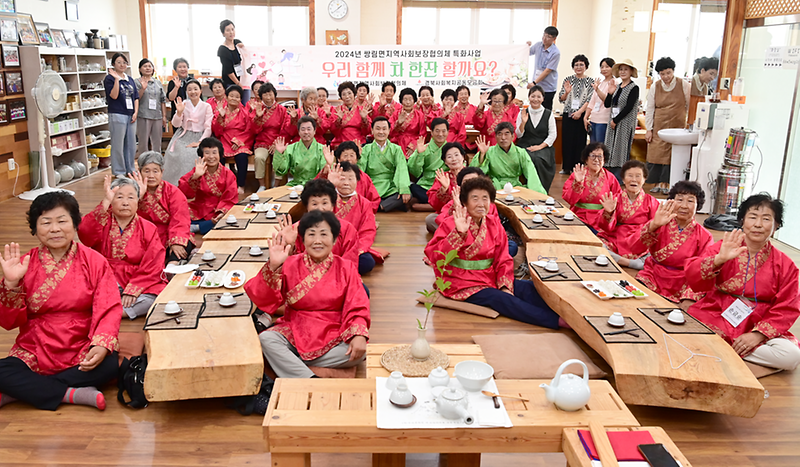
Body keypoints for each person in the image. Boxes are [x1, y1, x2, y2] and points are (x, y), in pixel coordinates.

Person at [0, 192, 121, 411]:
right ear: (35, 229)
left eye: (62, 221)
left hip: (81, 343)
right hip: (36, 346)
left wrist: (102, 344)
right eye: (46, 223)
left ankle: (20, 392)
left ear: (75, 224)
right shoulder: (24, 264)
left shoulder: (94, 261)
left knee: (110, 364)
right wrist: (11, 284)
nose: (55, 229)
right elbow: (9, 322)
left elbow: (109, 307)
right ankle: (72, 394)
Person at [244, 210, 370, 379]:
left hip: (334, 330)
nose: (317, 241)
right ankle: (310, 379)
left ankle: (292, 366)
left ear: (334, 240)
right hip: (296, 329)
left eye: (324, 234)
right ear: (303, 240)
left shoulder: (346, 267)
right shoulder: (289, 264)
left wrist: (359, 334)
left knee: (359, 351)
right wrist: (273, 266)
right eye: (311, 235)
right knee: (267, 339)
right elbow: (264, 299)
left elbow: (358, 304)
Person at [424, 177, 563, 328]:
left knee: (529, 288)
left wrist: (504, 284)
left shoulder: (493, 223)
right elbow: (435, 256)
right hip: (460, 282)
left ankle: (564, 312)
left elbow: (503, 258)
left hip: (488, 276)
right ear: (464, 202)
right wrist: (458, 233)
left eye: (485, 198)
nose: (481, 203)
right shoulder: (451, 222)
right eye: (474, 198)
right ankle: (555, 321)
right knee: (501, 299)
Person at [686, 194, 800, 370]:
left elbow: (787, 307)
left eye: (766, 219)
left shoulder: (786, 265)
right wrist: (718, 259)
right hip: (718, 312)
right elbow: (693, 279)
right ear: (742, 221)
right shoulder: (724, 247)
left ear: (776, 225)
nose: (758, 224)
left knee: (790, 357)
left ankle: (722, 350)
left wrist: (757, 335)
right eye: (752, 217)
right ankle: (734, 353)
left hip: (758, 319)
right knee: (688, 334)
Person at [79, 176, 167, 320]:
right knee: (80, 290)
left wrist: (134, 289)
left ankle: (112, 311)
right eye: (119, 197)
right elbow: (84, 233)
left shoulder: (148, 228)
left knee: (155, 295)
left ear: (138, 201)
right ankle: (113, 308)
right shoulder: (102, 220)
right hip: (104, 276)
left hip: (135, 277)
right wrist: (105, 201)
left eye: (131, 197)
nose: (125, 202)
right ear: (112, 200)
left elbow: (154, 263)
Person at [629, 181, 713, 305]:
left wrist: (690, 295)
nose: (684, 205)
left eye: (690, 201)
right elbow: (635, 249)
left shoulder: (705, 236)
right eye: (679, 199)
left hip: (683, 282)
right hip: (653, 274)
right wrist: (653, 226)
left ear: (698, 205)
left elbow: (703, 270)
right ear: (671, 201)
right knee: (635, 299)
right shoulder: (660, 222)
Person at [275, 179, 360, 266]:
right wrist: (290, 245)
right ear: (307, 207)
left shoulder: (347, 229)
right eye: (314, 204)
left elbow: (350, 263)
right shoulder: (295, 230)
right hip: (302, 277)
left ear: (332, 206)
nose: (320, 208)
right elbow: (289, 268)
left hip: (338, 276)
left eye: (324, 203)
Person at [133, 151, 194, 265]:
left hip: (167, 234)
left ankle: (172, 266)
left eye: (155, 171)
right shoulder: (131, 191)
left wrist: (176, 241)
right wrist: (137, 197)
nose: (151, 175)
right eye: (146, 171)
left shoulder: (173, 192)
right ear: (140, 172)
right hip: (142, 236)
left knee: (183, 244)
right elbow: (121, 215)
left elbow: (180, 219)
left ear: (162, 172)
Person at [597, 160, 658, 270]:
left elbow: (656, 226)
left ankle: (618, 260)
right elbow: (604, 227)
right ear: (624, 179)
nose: (634, 179)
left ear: (644, 179)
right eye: (630, 176)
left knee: (654, 253)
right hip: (616, 237)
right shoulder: (615, 198)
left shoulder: (651, 201)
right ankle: (631, 263)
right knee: (598, 246)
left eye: (638, 176)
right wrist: (608, 212)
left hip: (640, 239)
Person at [645, 57, 690, 194]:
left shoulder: (684, 84)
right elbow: (650, 109)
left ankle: (668, 183)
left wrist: (688, 123)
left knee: (672, 154)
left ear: (673, 71)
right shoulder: (655, 86)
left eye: (668, 73)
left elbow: (689, 105)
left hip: (677, 124)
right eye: (662, 74)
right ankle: (657, 182)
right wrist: (649, 129)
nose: (666, 77)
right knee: (656, 154)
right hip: (659, 124)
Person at [178, 137, 238, 235]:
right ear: (202, 155)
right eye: (207, 153)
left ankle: (196, 227)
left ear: (220, 154)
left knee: (227, 220)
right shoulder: (196, 171)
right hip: (198, 209)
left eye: (214, 152)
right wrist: (195, 177)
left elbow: (230, 198)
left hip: (216, 210)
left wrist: (222, 212)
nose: (211, 157)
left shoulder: (228, 174)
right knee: (178, 215)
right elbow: (182, 193)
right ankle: (200, 226)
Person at [328, 162, 379, 275]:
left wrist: (355, 249)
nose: (346, 183)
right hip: (329, 244)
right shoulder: (327, 200)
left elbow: (368, 231)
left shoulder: (364, 204)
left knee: (367, 262)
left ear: (357, 181)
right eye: (342, 179)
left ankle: (332, 269)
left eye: (351, 179)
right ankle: (341, 269)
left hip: (353, 247)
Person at [471, 122, 546, 194]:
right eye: (499, 134)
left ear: (513, 136)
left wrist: (537, 193)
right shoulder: (489, 151)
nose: (503, 138)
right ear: (495, 137)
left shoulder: (521, 152)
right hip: (495, 186)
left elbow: (531, 173)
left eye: (506, 134)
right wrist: (482, 155)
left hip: (515, 186)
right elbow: (476, 171)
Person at [163, 79, 213, 185]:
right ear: (186, 92)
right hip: (184, 135)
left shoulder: (206, 106)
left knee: (193, 155)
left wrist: (200, 142)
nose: (193, 92)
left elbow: (208, 127)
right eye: (189, 89)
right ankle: (175, 184)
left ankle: (192, 185)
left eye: (195, 89)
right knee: (175, 154)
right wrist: (179, 113)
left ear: (200, 91)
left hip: (200, 136)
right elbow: (176, 124)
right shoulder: (184, 104)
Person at [562, 142, 622, 232]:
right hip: (579, 218)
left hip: (601, 220)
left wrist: (610, 210)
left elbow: (619, 198)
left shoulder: (610, 178)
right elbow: (569, 199)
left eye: (600, 156)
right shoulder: (578, 174)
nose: (596, 160)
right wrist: (578, 182)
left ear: (604, 160)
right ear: (586, 159)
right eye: (592, 156)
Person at [358, 117, 411, 212]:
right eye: (378, 129)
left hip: (390, 186)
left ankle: (378, 207)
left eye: (384, 129)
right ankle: (383, 206)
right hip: (372, 185)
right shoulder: (366, 149)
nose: (381, 132)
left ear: (389, 130)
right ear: (372, 130)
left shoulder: (396, 149)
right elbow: (361, 169)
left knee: (406, 194)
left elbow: (401, 168)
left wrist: (403, 188)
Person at [211, 84, 254, 194]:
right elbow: (216, 131)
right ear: (226, 97)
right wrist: (220, 117)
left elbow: (249, 130)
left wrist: (239, 141)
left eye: (237, 96)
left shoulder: (244, 113)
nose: (234, 98)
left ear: (240, 99)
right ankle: (220, 185)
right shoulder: (220, 112)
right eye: (231, 96)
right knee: (219, 157)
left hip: (241, 141)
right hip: (224, 140)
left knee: (242, 157)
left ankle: (241, 185)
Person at [316, 141, 381, 213]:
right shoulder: (332, 174)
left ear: (357, 158)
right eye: (345, 155)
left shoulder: (364, 177)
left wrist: (363, 210)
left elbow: (375, 200)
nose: (349, 159)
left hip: (358, 215)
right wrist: (328, 165)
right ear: (338, 159)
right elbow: (317, 189)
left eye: (352, 155)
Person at [516, 85, 557, 192]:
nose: (535, 99)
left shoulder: (548, 114)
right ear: (529, 97)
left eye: (539, 97)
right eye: (533, 96)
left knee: (538, 159)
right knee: (527, 158)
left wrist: (539, 147)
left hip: (543, 146)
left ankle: (540, 191)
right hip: (525, 144)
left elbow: (552, 135)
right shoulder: (522, 112)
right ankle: (525, 189)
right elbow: (518, 134)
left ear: (543, 98)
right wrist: (523, 123)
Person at [604, 58, 640, 178]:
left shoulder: (634, 88)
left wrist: (616, 120)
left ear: (631, 72)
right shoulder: (618, 86)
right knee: (610, 148)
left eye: (626, 69)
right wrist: (610, 93)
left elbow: (629, 107)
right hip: (613, 122)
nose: (623, 72)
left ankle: (619, 177)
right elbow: (608, 104)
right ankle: (610, 177)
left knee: (621, 149)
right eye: (621, 69)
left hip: (624, 123)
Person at [559, 54, 594, 174]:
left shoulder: (590, 81)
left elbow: (590, 99)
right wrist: (567, 93)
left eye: (581, 64)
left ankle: (578, 167)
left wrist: (579, 112)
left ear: (586, 66)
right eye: (576, 65)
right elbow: (561, 98)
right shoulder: (568, 79)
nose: (578, 67)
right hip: (568, 113)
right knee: (567, 141)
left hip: (582, 115)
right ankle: (566, 167)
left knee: (580, 142)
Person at [104, 52, 139, 176]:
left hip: (131, 114)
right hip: (117, 113)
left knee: (131, 144)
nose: (122, 65)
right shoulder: (109, 78)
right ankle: (119, 170)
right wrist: (117, 80)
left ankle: (131, 169)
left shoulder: (129, 79)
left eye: (124, 62)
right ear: (113, 64)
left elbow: (136, 97)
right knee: (118, 144)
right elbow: (113, 95)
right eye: (119, 62)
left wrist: (135, 112)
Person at [252, 82, 291, 191]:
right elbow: (254, 130)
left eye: (270, 94)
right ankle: (262, 185)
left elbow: (285, 129)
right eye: (265, 95)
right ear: (261, 97)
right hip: (262, 142)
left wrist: (276, 143)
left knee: (280, 155)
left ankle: (276, 185)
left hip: (278, 141)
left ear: (274, 94)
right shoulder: (258, 109)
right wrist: (258, 118)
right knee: (259, 157)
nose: (268, 98)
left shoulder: (282, 110)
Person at [273, 117, 329, 187]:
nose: (306, 132)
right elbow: (281, 171)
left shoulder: (323, 149)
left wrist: (328, 164)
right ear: (299, 132)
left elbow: (325, 173)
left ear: (314, 131)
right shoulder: (291, 148)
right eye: (303, 129)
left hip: (317, 185)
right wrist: (279, 154)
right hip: (296, 185)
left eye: (309, 129)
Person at [427, 166, 486, 233]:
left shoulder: (486, 201)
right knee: (431, 219)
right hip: (458, 232)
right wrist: (456, 207)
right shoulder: (457, 199)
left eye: (474, 180)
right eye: (466, 182)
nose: (470, 184)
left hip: (481, 235)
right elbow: (442, 218)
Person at [408, 117, 448, 205]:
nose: (440, 134)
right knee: (412, 187)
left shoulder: (451, 149)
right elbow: (415, 171)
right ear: (432, 132)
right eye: (437, 131)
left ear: (448, 132)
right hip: (426, 185)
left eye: (444, 131)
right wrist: (420, 154)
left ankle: (429, 203)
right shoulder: (424, 147)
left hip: (444, 184)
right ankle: (437, 202)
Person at [134, 58, 167, 157]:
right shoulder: (136, 82)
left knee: (157, 142)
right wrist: (143, 89)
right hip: (143, 115)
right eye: (145, 66)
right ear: (140, 69)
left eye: (150, 66)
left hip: (157, 116)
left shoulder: (157, 82)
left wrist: (164, 116)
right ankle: (143, 163)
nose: (148, 68)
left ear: (153, 69)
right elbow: (136, 98)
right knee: (143, 142)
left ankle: (157, 163)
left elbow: (162, 100)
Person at [427, 142, 467, 214]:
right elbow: (434, 204)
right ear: (445, 161)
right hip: (447, 214)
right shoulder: (443, 177)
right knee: (430, 219)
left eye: (456, 155)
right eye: (449, 157)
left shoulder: (472, 174)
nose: (454, 159)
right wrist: (443, 189)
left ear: (463, 157)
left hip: (469, 213)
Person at [526, 26, 561, 110]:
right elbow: (528, 53)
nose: (545, 38)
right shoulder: (538, 45)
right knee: (534, 108)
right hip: (536, 85)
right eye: (544, 35)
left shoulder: (555, 53)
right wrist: (526, 46)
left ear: (554, 38)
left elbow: (547, 71)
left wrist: (534, 83)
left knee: (545, 111)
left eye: (548, 37)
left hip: (548, 87)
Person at [584, 58, 617, 144]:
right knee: (593, 147)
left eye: (607, 66)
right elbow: (592, 102)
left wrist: (597, 90)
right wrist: (585, 117)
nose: (604, 69)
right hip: (593, 119)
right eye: (602, 67)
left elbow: (607, 101)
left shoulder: (614, 83)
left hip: (604, 120)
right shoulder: (601, 83)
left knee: (600, 147)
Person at [331, 82, 371, 149]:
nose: (347, 96)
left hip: (358, 141)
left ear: (354, 94)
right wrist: (339, 120)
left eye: (349, 93)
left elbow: (367, 132)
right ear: (341, 97)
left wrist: (364, 119)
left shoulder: (362, 110)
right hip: (341, 141)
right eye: (344, 94)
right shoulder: (337, 110)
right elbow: (333, 131)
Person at [390, 87, 428, 157]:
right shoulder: (395, 114)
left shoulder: (420, 115)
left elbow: (423, 134)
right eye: (405, 99)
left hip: (414, 144)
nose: (408, 102)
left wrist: (414, 145)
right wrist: (398, 123)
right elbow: (389, 131)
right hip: (397, 143)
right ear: (401, 101)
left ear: (414, 101)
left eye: (410, 99)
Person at [687, 57, 719, 130]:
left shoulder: (705, 86)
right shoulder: (690, 83)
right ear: (702, 70)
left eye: (715, 76)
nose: (712, 78)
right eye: (711, 73)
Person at [218, 20, 246, 93]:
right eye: (228, 30)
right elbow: (228, 70)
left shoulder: (237, 42)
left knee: (244, 103)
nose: (231, 32)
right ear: (223, 33)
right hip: (230, 82)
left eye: (232, 29)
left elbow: (245, 58)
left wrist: (244, 47)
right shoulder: (222, 49)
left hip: (243, 79)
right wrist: (238, 83)